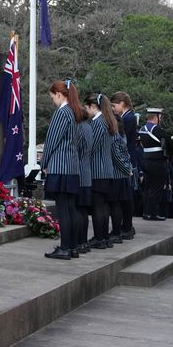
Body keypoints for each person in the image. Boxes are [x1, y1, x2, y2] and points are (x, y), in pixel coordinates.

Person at [42, 80, 83, 260]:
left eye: (53, 97)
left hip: (60, 167)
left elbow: (52, 140)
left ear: (59, 94)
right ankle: (72, 247)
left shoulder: (62, 113)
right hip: (72, 167)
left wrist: (44, 162)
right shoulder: (75, 113)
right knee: (71, 208)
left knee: (63, 209)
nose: (53, 101)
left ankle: (65, 247)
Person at [83, 93, 117, 249]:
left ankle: (99, 237)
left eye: (86, 107)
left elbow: (91, 146)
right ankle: (104, 237)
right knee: (103, 206)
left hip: (97, 170)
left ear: (92, 107)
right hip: (106, 170)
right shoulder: (107, 121)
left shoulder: (97, 123)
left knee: (98, 206)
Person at [138, 108, 173, 221]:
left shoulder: (142, 129)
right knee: (156, 188)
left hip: (145, 161)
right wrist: (172, 154)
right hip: (157, 162)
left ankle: (146, 212)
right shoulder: (157, 129)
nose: (161, 119)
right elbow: (169, 142)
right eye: (160, 117)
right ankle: (152, 213)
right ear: (155, 117)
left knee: (148, 188)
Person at [111, 92, 142, 219]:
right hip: (128, 157)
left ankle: (127, 225)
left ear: (122, 104)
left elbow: (123, 140)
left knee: (127, 196)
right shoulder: (128, 116)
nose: (113, 109)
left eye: (114, 105)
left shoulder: (128, 118)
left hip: (127, 157)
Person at [112, 115, 135, 240]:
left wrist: (127, 170)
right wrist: (129, 169)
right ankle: (124, 228)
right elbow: (126, 155)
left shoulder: (115, 136)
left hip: (117, 174)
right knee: (122, 204)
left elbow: (117, 156)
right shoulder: (122, 135)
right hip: (124, 174)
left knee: (117, 204)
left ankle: (117, 231)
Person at [75, 105, 94, 253]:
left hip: (79, 171)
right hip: (87, 172)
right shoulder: (89, 127)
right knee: (83, 211)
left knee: (77, 210)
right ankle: (83, 241)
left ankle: (79, 241)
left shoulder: (79, 128)